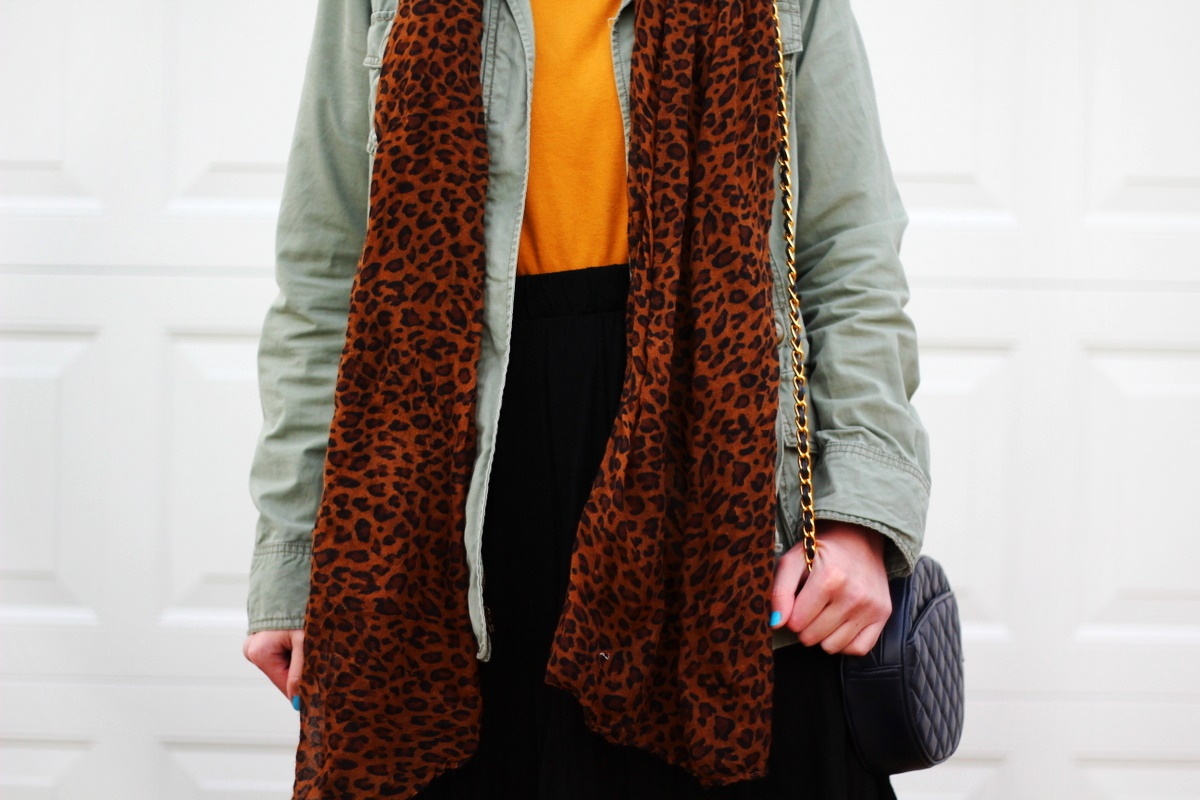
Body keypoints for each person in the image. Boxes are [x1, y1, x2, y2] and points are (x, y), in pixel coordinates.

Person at [242, 0, 930, 797]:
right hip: (448, 509)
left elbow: (848, 255)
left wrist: (855, 523)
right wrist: (294, 557)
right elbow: (326, 272)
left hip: (719, 493)